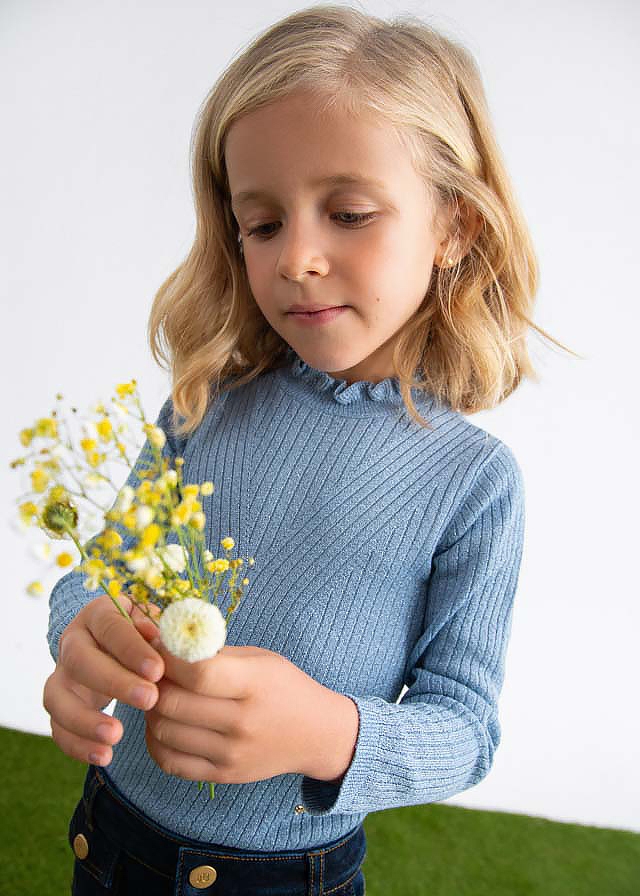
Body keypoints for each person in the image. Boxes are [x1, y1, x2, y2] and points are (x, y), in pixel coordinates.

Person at [43, 5, 572, 894]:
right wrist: (81, 631)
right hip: (111, 838)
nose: (297, 258)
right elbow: (102, 572)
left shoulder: (472, 483)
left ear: (455, 227)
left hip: (286, 877)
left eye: (350, 213)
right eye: (262, 224)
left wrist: (328, 732)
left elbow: (465, 728)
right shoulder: (206, 404)